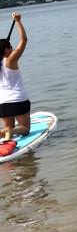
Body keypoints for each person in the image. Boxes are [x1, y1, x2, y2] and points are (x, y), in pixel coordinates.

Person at [0, 13, 31, 141]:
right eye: (11, 47)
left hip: (2, 103)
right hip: (18, 100)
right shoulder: (10, 60)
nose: (13, 49)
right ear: (6, 49)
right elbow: (23, 40)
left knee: (7, 130)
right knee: (25, 129)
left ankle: (5, 132)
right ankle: (12, 131)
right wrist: (18, 21)